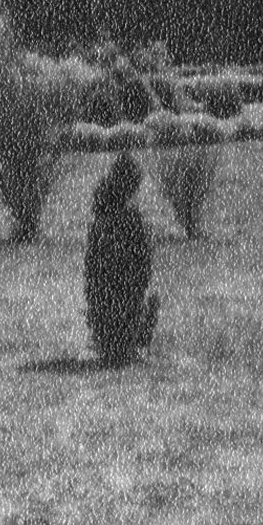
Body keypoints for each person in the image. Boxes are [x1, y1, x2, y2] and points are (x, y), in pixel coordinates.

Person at [84, 151, 157, 366]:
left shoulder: (101, 218)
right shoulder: (131, 220)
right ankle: (128, 344)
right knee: (148, 299)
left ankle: (115, 343)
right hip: (124, 300)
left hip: (103, 305)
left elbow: (92, 269)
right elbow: (142, 265)